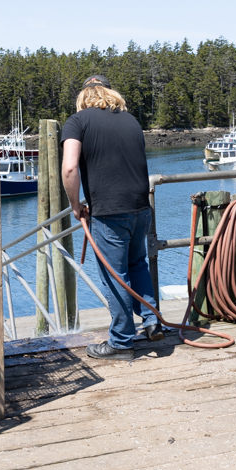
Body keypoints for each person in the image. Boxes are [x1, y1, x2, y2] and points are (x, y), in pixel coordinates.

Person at [61, 75, 162, 361]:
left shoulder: (77, 122)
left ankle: (121, 343)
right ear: (110, 93)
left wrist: (75, 204)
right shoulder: (131, 121)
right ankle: (152, 319)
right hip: (141, 208)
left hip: (109, 212)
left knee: (114, 275)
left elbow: (70, 169)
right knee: (137, 264)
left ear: (83, 97)